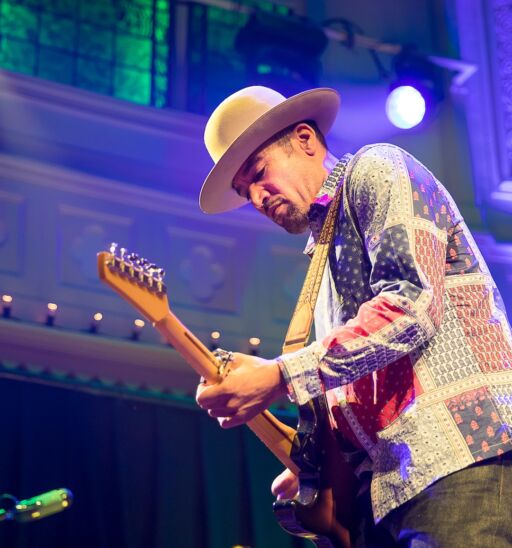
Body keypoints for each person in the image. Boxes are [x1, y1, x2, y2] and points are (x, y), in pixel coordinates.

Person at [195, 86, 512, 546]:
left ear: (305, 138)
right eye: (247, 193)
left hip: (460, 457)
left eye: (260, 173)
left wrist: (280, 375)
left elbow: (410, 304)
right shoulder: (321, 260)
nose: (259, 198)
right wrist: (321, 469)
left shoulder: (376, 167)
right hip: (390, 488)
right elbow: (363, 383)